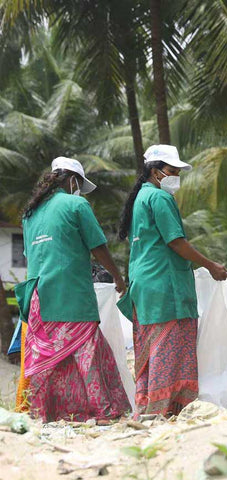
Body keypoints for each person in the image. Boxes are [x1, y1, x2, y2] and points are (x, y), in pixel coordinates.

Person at [118, 144, 227, 418]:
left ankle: (147, 405)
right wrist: (210, 265)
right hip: (164, 283)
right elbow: (175, 241)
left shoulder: (141, 198)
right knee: (170, 346)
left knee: (151, 347)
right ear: (155, 172)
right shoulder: (159, 199)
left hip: (144, 284)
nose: (176, 176)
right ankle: (165, 408)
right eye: (172, 171)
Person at [15, 156, 130, 422]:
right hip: (71, 296)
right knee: (87, 354)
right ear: (73, 180)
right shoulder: (77, 204)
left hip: (39, 300)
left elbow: (29, 254)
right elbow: (98, 247)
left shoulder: (30, 213)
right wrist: (118, 278)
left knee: (50, 363)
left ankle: (46, 414)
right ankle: (102, 412)